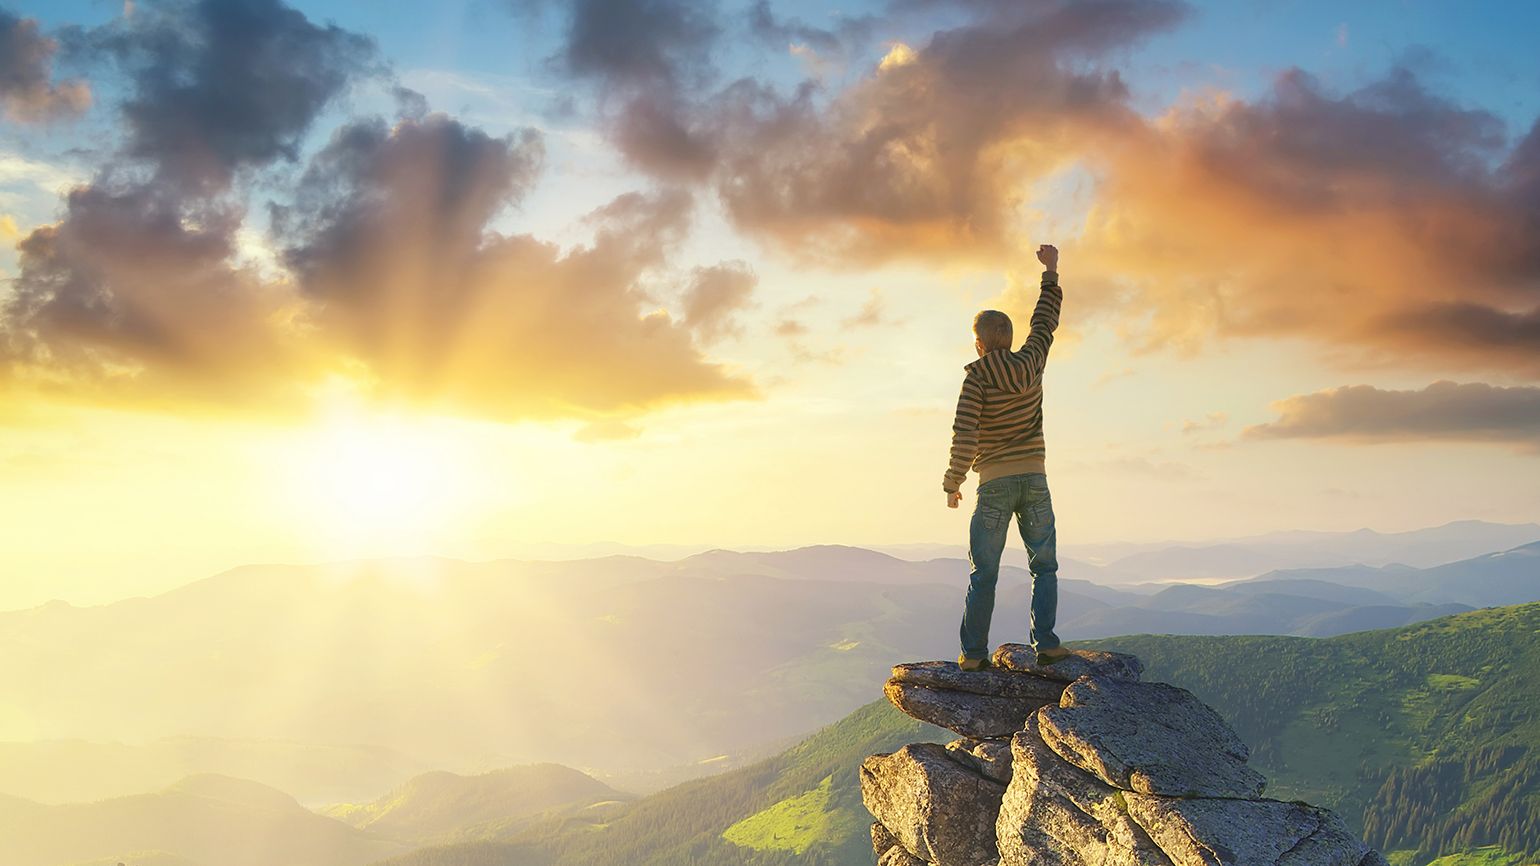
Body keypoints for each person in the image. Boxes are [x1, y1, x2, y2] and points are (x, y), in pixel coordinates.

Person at [943, 243, 1068, 671]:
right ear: (1010, 341)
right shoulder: (1032, 361)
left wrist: (953, 481)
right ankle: (1047, 644)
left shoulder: (976, 378)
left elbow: (965, 433)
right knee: (1044, 566)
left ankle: (975, 655)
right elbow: (1045, 321)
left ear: (979, 344)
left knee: (984, 574)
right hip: (1035, 480)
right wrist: (1050, 271)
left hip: (994, 484)